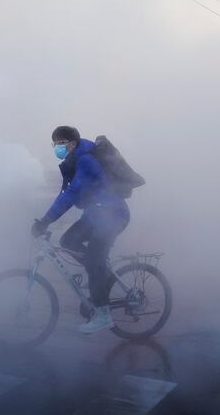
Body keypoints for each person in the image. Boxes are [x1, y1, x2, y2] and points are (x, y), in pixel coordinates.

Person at [31, 126, 130, 334]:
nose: (56, 147)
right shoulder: (76, 159)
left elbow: (71, 194)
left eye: (60, 142)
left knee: (94, 260)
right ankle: (98, 271)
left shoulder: (85, 160)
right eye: (54, 143)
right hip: (96, 215)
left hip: (113, 214)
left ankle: (103, 315)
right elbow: (67, 193)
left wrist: (46, 220)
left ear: (72, 143)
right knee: (68, 242)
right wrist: (45, 219)